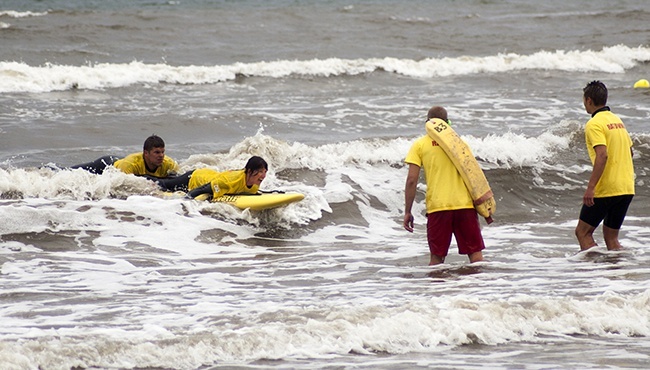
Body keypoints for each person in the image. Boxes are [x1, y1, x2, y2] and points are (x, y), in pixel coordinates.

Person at [403, 106, 485, 265]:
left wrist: (407, 211)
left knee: (436, 259)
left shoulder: (420, 145)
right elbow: (473, 175)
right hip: (465, 206)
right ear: (448, 123)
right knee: (476, 257)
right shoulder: (460, 143)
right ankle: (479, 289)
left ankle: (439, 290)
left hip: (438, 208)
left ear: (427, 123)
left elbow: (411, 180)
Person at [575, 81, 635, 251]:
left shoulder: (594, 124)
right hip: (626, 188)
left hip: (607, 188)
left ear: (588, 100)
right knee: (612, 238)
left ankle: (594, 273)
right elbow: (630, 152)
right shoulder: (617, 121)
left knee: (583, 232)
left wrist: (591, 187)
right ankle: (615, 272)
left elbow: (602, 155)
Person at [155, 156, 268, 200]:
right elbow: (201, 190)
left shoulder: (254, 185)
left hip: (209, 174)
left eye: (265, 172)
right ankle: (140, 177)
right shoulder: (228, 182)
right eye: (260, 172)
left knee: (170, 179)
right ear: (249, 171)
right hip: (193, 179)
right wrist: (184, 203)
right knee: (162, 185)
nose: (263, 176)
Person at [70, 135, 179, 178]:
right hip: (106, 165)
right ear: (146, 153)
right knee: (71, 172)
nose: (161, 156)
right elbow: (119, 186)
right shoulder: (130, 164)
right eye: (156, 152)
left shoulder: (168, 164)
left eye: (162, 152)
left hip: (121, 160)